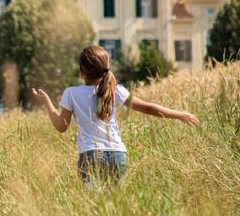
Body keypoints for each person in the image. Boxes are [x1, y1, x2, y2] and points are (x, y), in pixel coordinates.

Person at [30, 45, 199, 184]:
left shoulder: (71, 93)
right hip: (118, 155)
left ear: (82, 70)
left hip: (91, 156)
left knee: (94, 207)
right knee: (116, 207)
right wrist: (180, 115)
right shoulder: (115, 90)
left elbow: (61, 127)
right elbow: (148, 108)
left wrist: (47, 103)